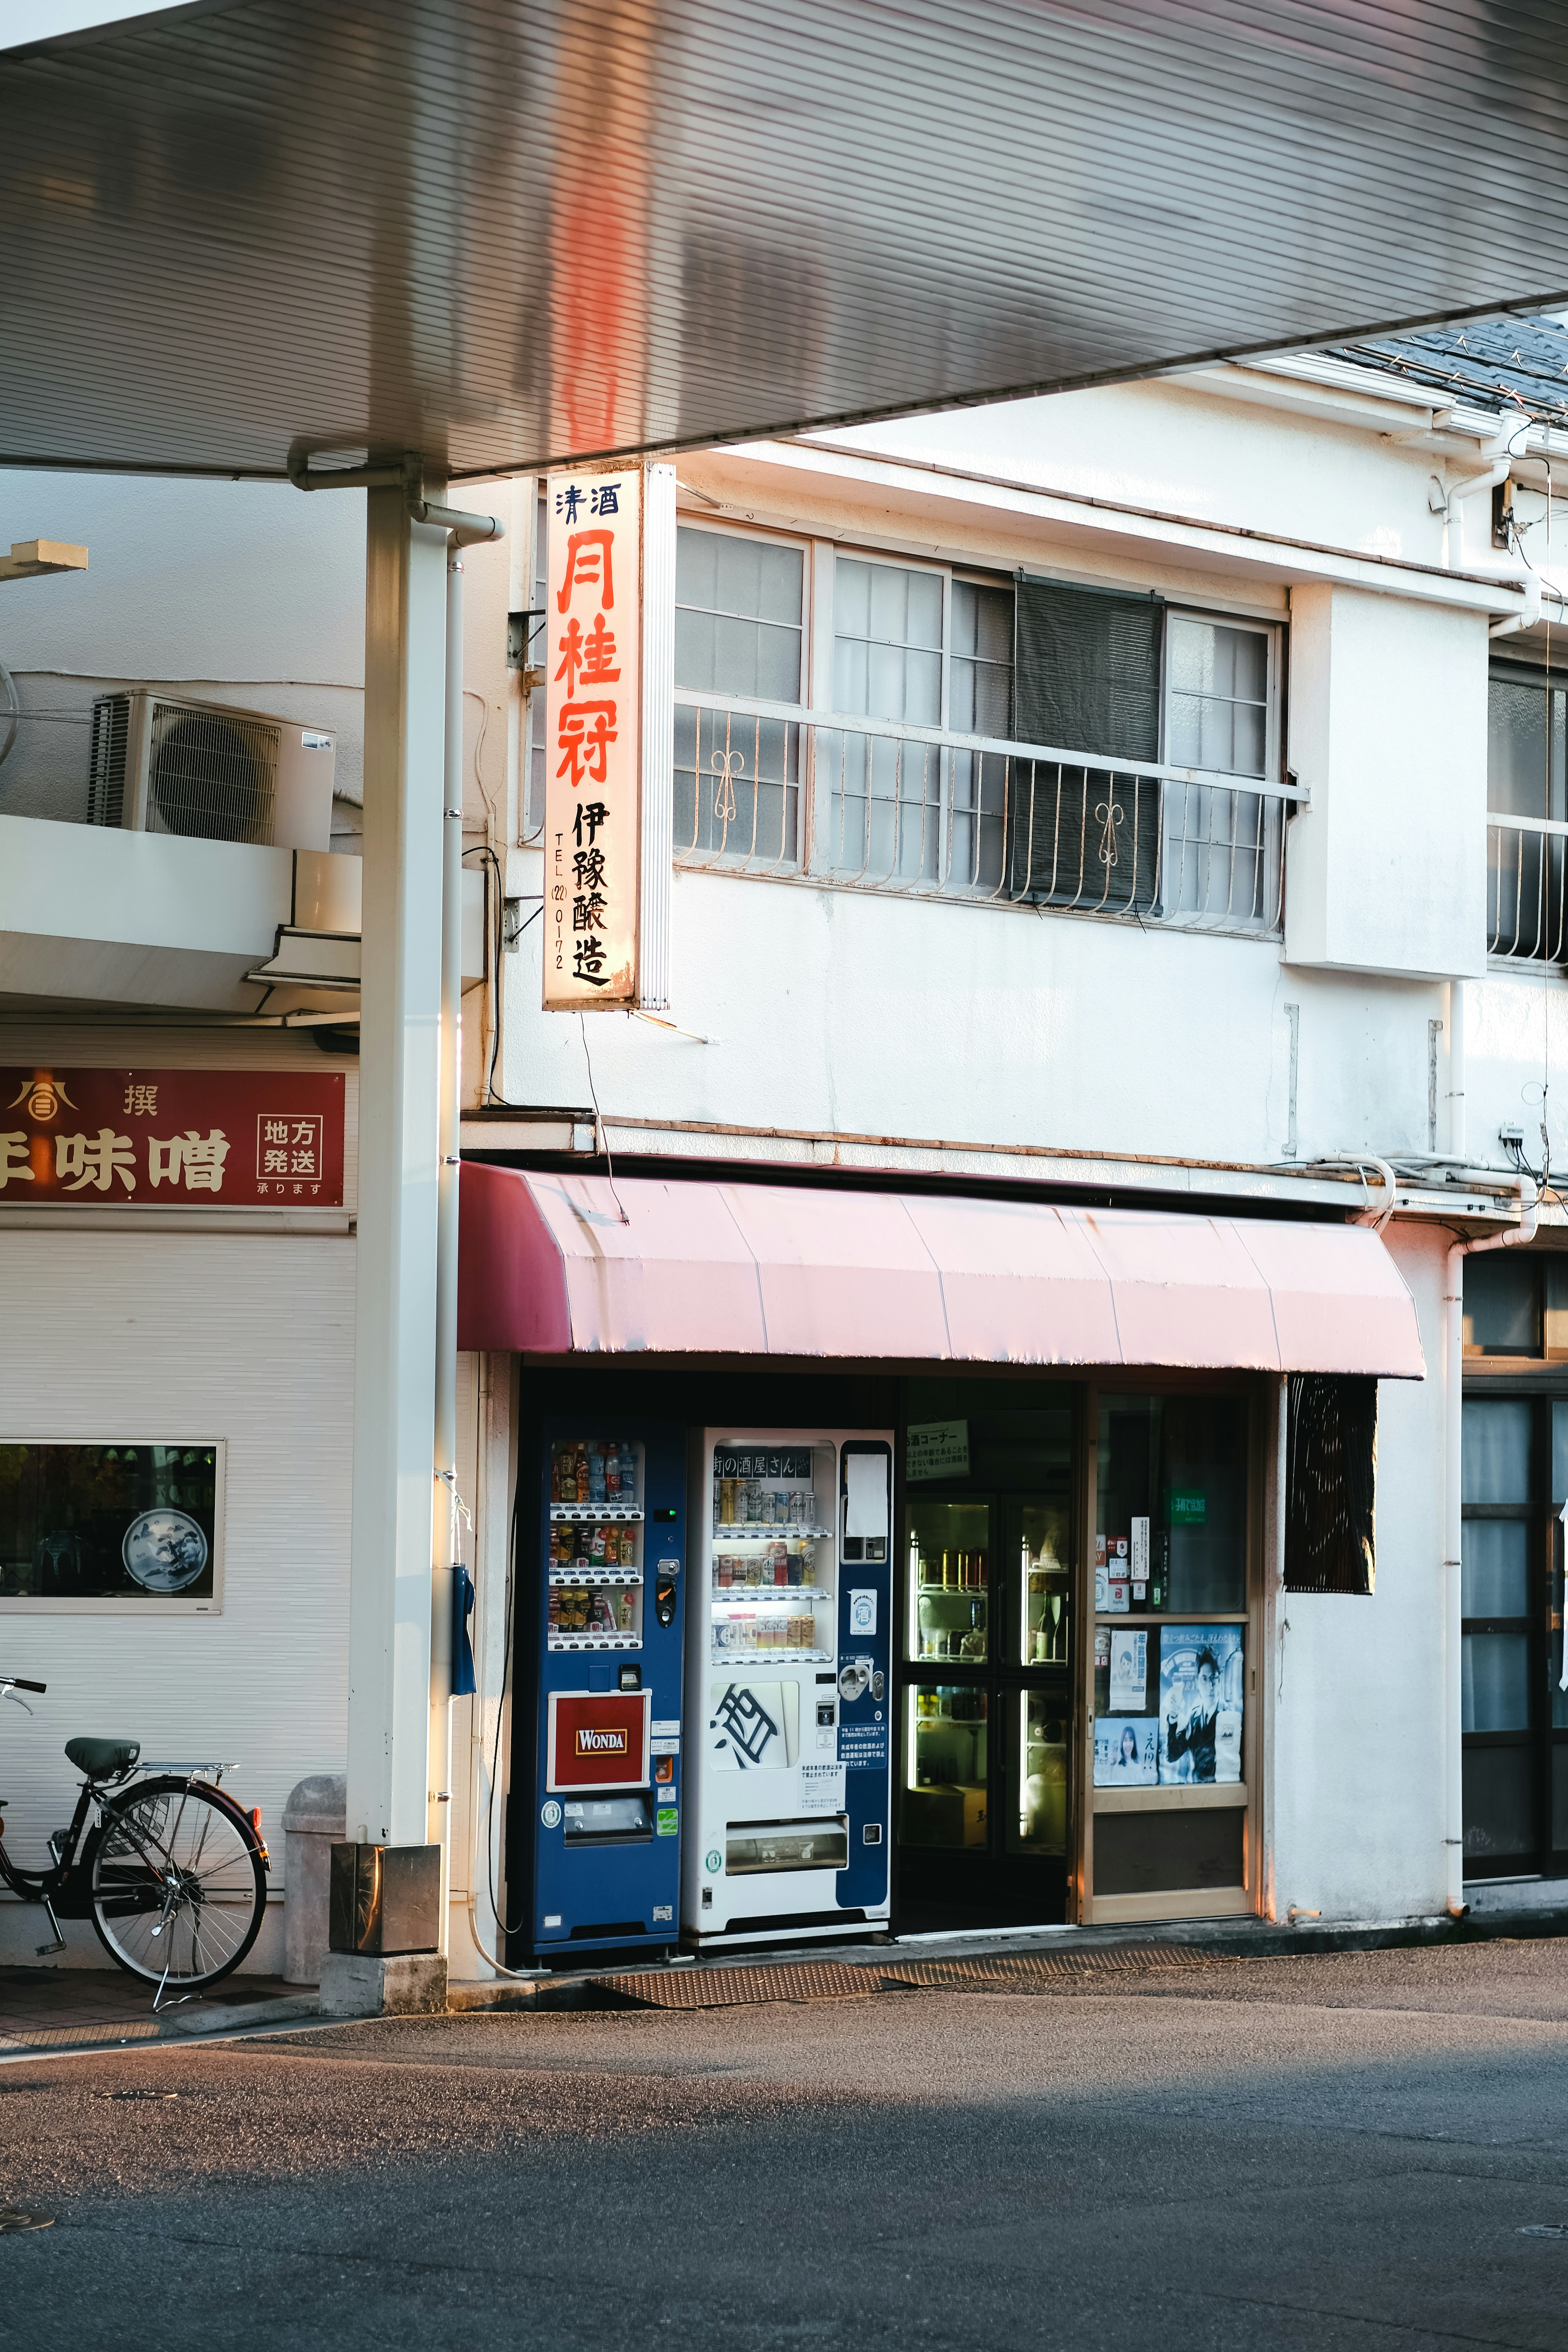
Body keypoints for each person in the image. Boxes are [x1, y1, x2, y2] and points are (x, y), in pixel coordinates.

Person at [1166, 1647, 1220, 1782]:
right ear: (1197, 1682)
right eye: (1204, 1679)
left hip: (1221, 1788)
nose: (1210, 1686)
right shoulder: (1194, 1718)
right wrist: (1173, 1719)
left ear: (1220, 1680)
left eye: (1214, 1678)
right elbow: (1172, 1755)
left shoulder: (1228, 1716)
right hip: (1196, 1788)